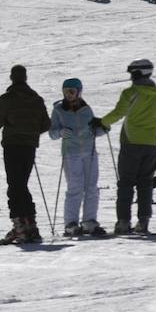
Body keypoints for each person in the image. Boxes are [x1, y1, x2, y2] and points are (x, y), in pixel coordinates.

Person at [95, 58, 156, 234]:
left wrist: (101, 122)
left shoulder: (130, 93)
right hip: (151, 144)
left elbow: (118, 113)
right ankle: (143, 222)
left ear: (138, 74)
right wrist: (155, 118)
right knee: (145, 183)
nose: (131, 77)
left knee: (126, 183)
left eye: (132, 73)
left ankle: (123, 222)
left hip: (131, 142)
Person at [0, 64, 52, 244]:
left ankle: (20, 226)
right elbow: (46, 125)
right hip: (29, 146)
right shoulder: (36, 99)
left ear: (12, 78)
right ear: (25, 78)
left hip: (12, 145)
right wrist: (31, 132)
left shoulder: (7, 98)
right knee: (21, 184)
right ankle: (30, 224)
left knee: (15, 185)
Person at [49, 78, 107, 237]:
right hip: (71, 153)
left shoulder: (86, 109)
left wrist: (102, 128)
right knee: (75, 187)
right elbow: (51, 133)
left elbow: (93, 131)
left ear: (79, 92)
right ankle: (70, 223)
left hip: (90, 151)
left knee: (91, 187)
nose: (68, 95)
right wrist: (59, 132)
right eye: (66, 91)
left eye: (72, 91)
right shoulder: (58, 110)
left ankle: (89, 221)